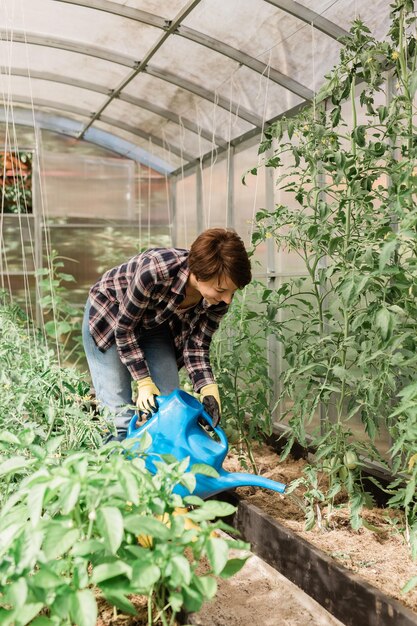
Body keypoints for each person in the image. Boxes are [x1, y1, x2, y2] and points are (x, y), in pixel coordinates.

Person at [82, 228, 252, 441]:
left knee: (171, 403)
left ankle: (160, 466)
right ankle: (115, 463)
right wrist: (143, 382)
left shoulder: (217, 300)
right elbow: (125, 329)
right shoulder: (154, 272)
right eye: (221, 290)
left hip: (154, 323)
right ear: (198, 274)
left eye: (233, 292)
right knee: (119, 414)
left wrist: (209, 390)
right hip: (110, 315)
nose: (227, 300)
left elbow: (197, 346)